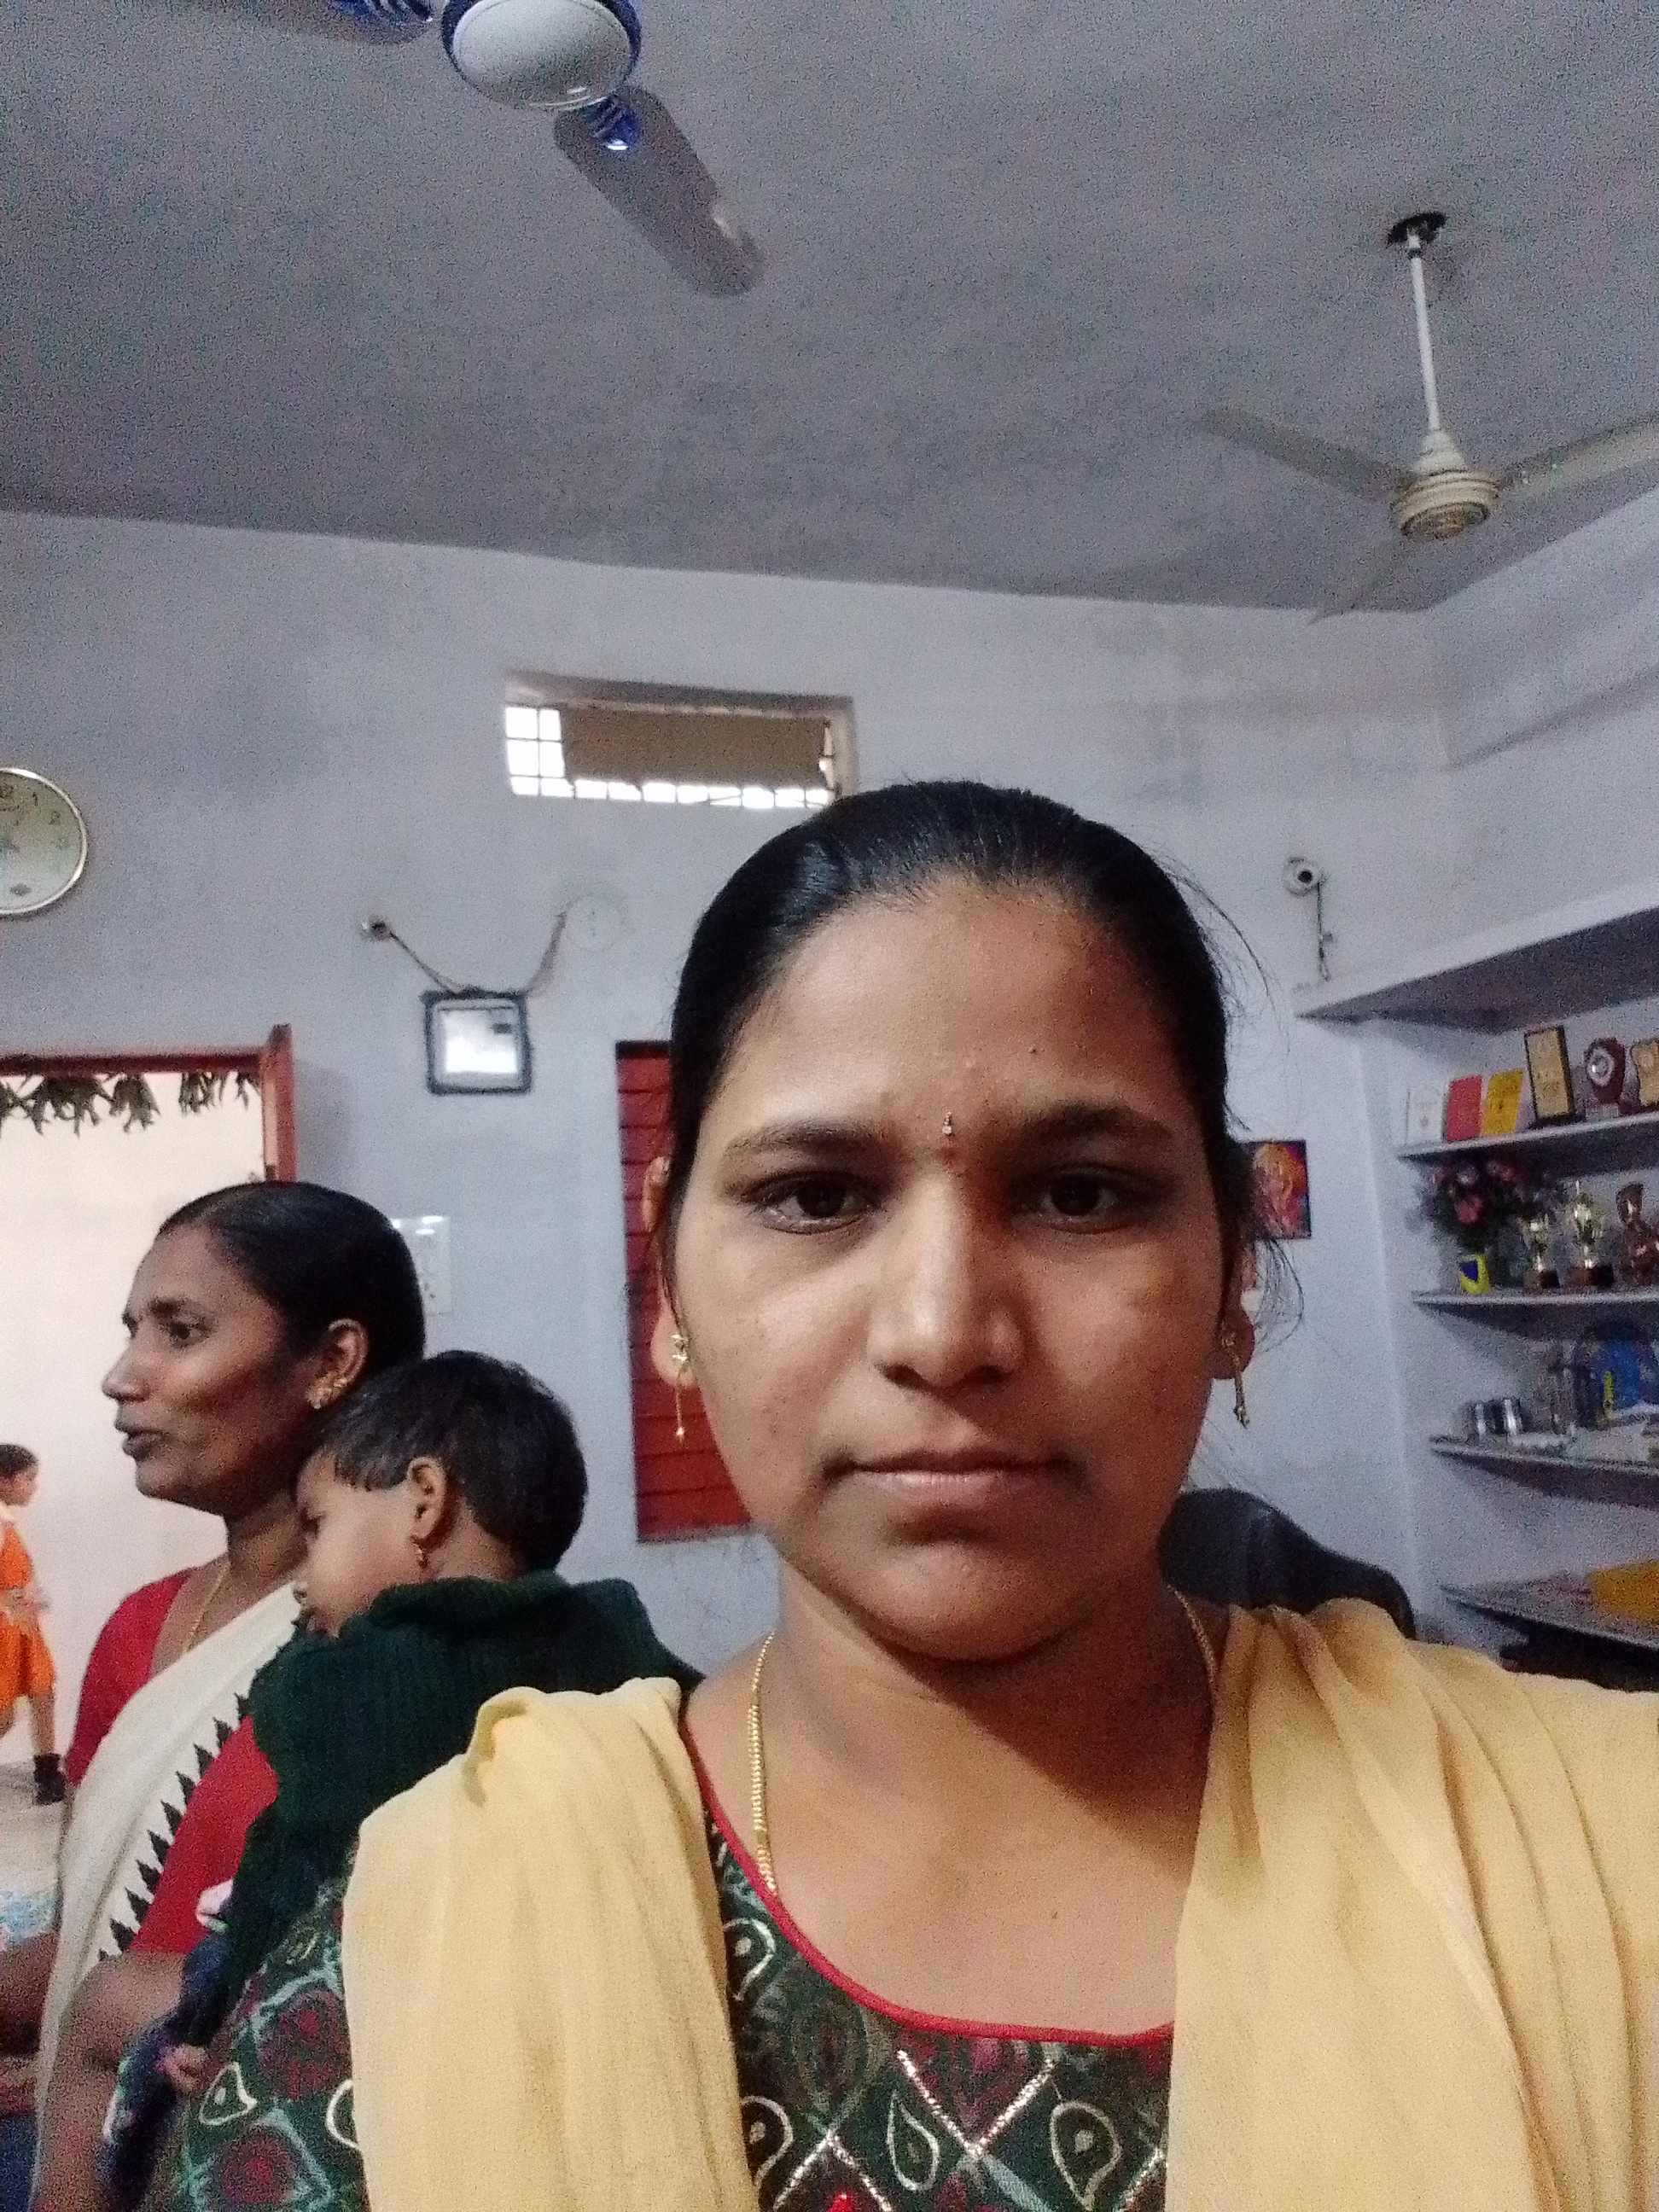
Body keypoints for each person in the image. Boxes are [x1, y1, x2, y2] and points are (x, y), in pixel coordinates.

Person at [145, 784, 1659, 2212]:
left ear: (1230, 1278)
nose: (943, 1331)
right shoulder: (410, 1976)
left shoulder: (1596, 1865)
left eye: (1080, 1192)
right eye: (814, 1196)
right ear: (670, 1286)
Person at [88, 1348, 692, 2209]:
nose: (303, 1582)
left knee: (105, 2014)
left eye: (316, 1527)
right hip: (567, 1995)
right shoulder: (613, 1631)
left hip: (373, 2015)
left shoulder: (353, 1678)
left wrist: (225, 2019)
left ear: (423, 1503)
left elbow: (300, 1872)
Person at [14, 1181, 424, 2209]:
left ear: (332, 1361)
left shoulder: (417, 1654)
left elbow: (415, 1998)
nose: (123, 1376)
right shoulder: (140, 1628)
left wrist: (138, 2014)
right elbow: (94, 1943)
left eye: (180, 1331)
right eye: (132, 1332)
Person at [0, 1447, 65, 1807]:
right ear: (4, 1480)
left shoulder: (7, 1522)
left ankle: (47, 1773)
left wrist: (31, 1596)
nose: (34, 1487)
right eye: (28, 1479)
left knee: (43, 1693)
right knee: (3, 1716)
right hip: (6, 1629)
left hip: (22, 1627)